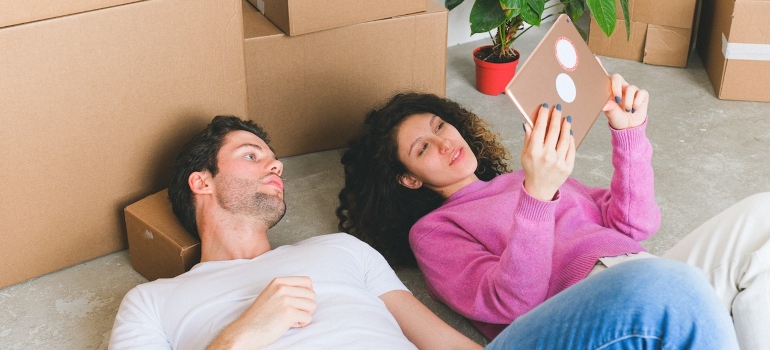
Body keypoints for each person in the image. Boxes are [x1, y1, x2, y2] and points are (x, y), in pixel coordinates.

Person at [108, 115, 739, 349]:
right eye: (251, 155)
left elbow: (447, 342)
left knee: (666, 289)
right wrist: (243, 336)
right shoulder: (153, 302)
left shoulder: (340, 250)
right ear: (201, 182)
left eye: (273, 156)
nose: (275, 163)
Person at [336, 75, 770, 350]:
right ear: (409, 178)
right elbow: (511, 301)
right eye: (423, 148)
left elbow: (634, 226)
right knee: (673, 282)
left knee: (764, 212)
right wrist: (538, 196)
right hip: (583, 313)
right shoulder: (434, 231)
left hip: (644, 273)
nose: (446, 143)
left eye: (440, 127)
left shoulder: (523, 177)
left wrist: (628, 133)